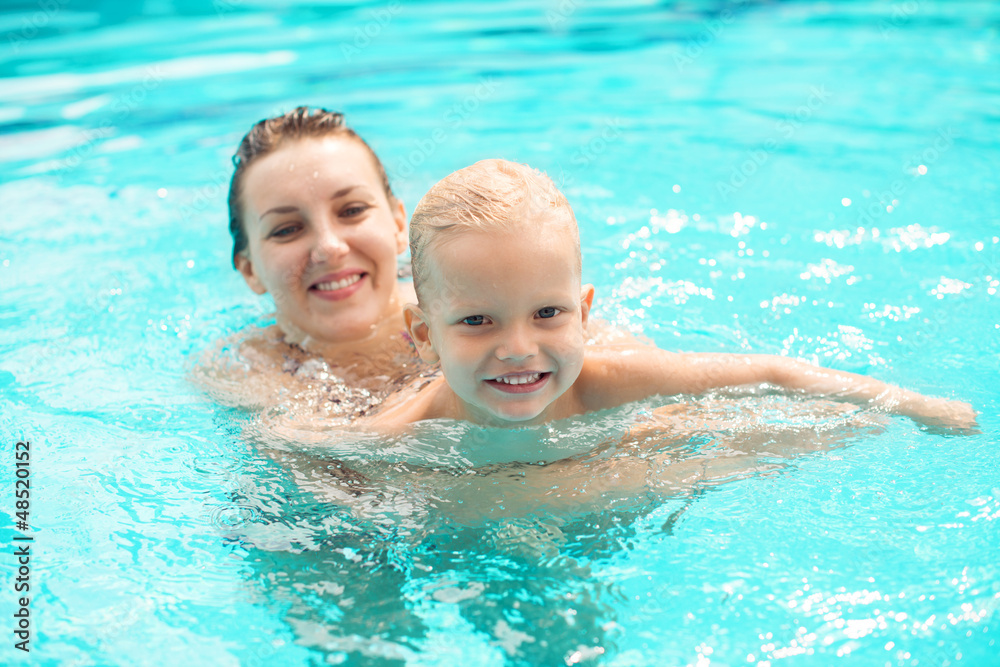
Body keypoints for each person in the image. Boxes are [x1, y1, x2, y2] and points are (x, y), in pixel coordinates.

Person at [367, 159, 978, 433]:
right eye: (478, 320)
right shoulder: (400, 432)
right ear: (424, 338)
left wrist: (916, 406)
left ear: (583, 313)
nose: (518, 348)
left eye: (548, 314)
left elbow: (773, 373)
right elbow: (310, 448)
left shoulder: (609, 382)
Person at [195, 107, 639, 419]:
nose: (329, 247)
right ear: (249, 269)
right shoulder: (249, 372)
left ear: (395, 222)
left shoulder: (487, 295)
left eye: (351, 211)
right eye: (287, 229)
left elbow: (629, 378)